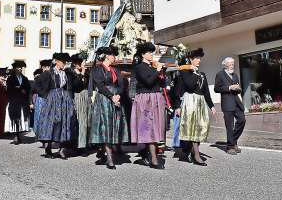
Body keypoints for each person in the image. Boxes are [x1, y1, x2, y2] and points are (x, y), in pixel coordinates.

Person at [88, 46, 129, 169]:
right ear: (107, 56)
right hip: (104, 100)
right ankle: (109, 158)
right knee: (105, 127)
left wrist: (118, 95)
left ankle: (104, 151)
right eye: (113, 55)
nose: (114, 57)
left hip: (116, 100)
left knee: (114, 126)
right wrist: (111, 96)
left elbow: (122, 84)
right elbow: (100, 85)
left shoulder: (115, 70)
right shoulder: (97, 70)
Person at [174, 48, 216, 165]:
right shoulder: (185, 72)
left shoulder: (202, 74)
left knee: (201, 128)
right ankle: (196, 155)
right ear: (190, 60)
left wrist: (211, 106)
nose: (199, 61)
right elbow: (188, 86)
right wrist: (177, 106)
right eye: (196, 58)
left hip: (201, 102)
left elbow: (206, 91)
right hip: (190, 101)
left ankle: (189, 151)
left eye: (199, 59)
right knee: (193, 128)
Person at [131, 41, 166, 169]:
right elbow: (148, 81)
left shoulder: (152, 67)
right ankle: (154, 159)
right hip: (146, 99)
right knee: (150, 128)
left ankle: (145, 154)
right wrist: (157, 71)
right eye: (149, 53)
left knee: (154, 127)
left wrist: (162, 72)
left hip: (155, 98)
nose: (151, 55)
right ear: (143, 54)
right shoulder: (139, 67)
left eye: (152, 52)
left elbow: (160, 84)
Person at [36, 53, 78, 159]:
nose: (64, 64)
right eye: (63, 62)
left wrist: (77, 74)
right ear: (57, 62)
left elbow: (75, 85)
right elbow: (37, 84)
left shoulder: (67, 73)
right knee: (51, 123)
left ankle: (62, 150)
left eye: (65, 62)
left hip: (65, 100)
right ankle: (48, 148)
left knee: (65, 123)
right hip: (52, 101)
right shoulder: (49, 73)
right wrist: (46, 95)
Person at [214, 57, 245, 155]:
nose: (233, 65)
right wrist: (229, 87)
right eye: (231, 63)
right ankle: (230, 147)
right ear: (225, 65)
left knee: (242, 120)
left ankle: (232, 141)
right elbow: (216, 88)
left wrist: (238, 88)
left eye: (233, 63)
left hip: (237, 102)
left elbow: (239, 89)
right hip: (227, 103)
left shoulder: (235, 75)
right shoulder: (220, 74)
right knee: (229, 126)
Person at [5, 61, 31, 144]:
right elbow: (9, 89)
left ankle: (19, 134)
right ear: (14, 69)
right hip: (14, 101)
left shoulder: (25, 78)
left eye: (21, 68)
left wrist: (25, 91)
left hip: (23, 101)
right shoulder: (10, 78)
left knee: (22, 119)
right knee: (14, 118)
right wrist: (18, 88)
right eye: (18, 68)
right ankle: (15, 135)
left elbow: (28, 89)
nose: (19, 69)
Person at [71, 53, 90, 152]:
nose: (82, 64)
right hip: (78, 97)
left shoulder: (86, 73)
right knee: (80, 121)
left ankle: (86, 143)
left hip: (86, 97)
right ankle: (79, 144)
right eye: (80, 63)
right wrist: (81, 73)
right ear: (75, 64)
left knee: (86, 121)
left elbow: (89, 84)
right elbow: (76, 86)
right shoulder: (70, 72)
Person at [32, 60, 52, 136]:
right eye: (48, 67)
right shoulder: (40, 77)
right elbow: (36, 89)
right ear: (43, 67)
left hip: (45, 99)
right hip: (42, 99)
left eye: (49, 67)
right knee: (41, 118)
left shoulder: (50, 76)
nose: (49, 68)